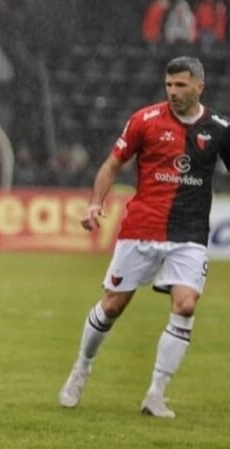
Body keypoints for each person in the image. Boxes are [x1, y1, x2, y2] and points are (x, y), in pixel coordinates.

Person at [58, 57, 230, 418]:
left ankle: (156, 394)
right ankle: (81, 368)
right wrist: (95, 203)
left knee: (185, 305)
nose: (173, 92)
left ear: (199, 86)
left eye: (180, 85)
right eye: (169, 85)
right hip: (142, 228)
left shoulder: (218, 128)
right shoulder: (145, 120)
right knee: (112, 306)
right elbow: (112, 164)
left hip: (190, 233)